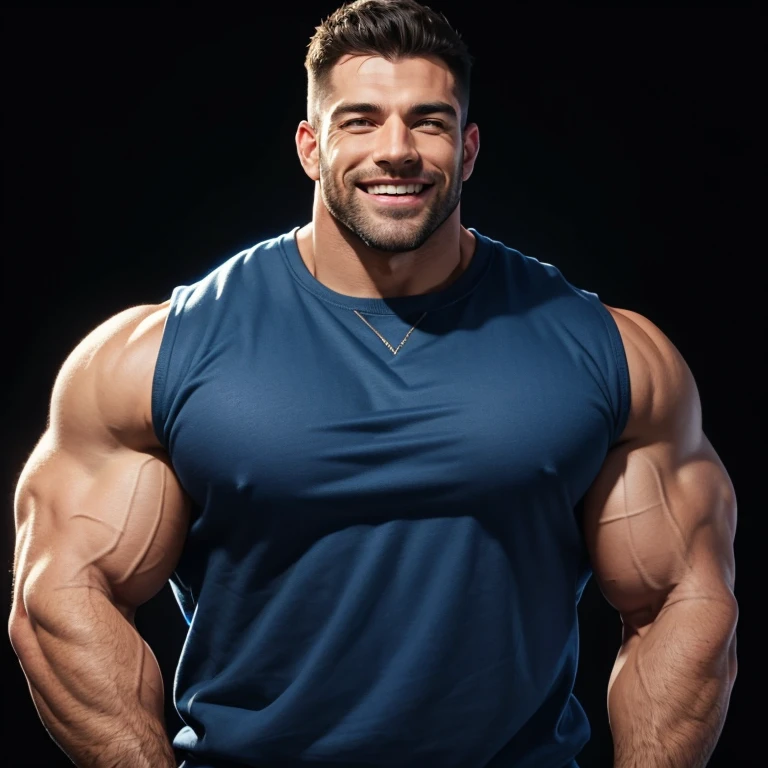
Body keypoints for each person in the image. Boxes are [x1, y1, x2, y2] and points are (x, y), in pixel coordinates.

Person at [8, 1, 738, 767]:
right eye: (360, 121)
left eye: (428, 121)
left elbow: (683, 604)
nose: (398, 150)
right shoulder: (157, 354)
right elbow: (60, 598)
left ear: (469, 147)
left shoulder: (608, 351)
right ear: (311, 146)